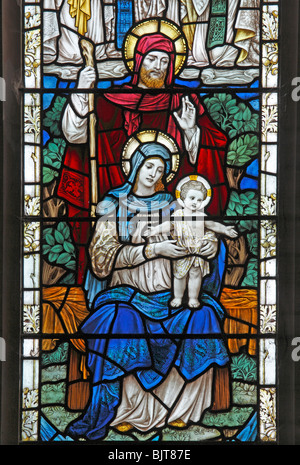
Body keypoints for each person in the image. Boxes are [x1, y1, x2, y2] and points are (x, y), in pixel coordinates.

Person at [66, 140, 230, 441]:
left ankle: (182, 413)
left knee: (203, 315)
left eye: (161, 168)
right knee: (120, 323)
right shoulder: (113, 205)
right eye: (149, 165)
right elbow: (101, 260)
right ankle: (122, 413)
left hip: (172, 296)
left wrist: (210, 247)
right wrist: (152, 250)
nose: (154, 173)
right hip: (127, 295)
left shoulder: (175, 205)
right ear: (134, 165)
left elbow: (200, 234)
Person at [58, 19, 229, 285]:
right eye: (152, 59)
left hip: (175, 204)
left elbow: (214, 149)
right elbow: (76, 135)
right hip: (117, 198)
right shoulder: (111, 100)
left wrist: (191, 132)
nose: (158, 68)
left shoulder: (185, 101)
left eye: (164, 61)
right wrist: (81, 89)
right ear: (138, 61)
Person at [145, 177, 238, 309]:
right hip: (182, 250)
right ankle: (178, 297)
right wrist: (155, 229)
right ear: (183, 198)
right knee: (179, 275)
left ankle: (193, 298)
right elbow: (169, 225)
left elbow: (213, 225)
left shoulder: (202, 216)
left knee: (195, 274)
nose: (195, 202)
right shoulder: (178, 215)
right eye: (192, 198)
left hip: (197, 251)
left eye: (199, 200)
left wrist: (225, 229)